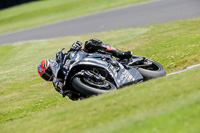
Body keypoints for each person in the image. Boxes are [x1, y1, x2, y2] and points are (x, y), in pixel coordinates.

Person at [37, 38, 132, 100]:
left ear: (51, 65)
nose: (48, 77)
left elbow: (73, 51)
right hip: (85, 89)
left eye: (47, 73)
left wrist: (75, 46)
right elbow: (71, 96)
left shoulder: (61, 58)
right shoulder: (57, 83)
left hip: (86, 59)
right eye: (45, 77)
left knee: (89, 43)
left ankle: (120, 53)